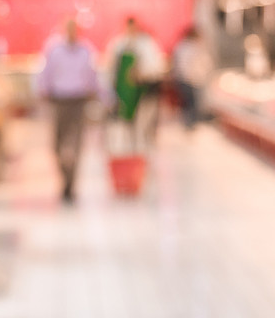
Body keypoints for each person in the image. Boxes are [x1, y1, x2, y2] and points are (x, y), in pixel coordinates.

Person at [35, 19, 100, 203]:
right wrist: (43, 91)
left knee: (77, 142)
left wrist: (98, 94)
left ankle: (71, 184)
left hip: (79, 100)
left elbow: (92, 74)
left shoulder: (86, 50)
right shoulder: (54, 49)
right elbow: (45, 73)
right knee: (57, 143)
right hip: (59, 100)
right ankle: (65, 177)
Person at [105, 17, 166, 148]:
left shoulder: (146, 43)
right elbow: (110, 68)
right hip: (124, 92)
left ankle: (143, 150)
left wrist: (141, 73)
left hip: (144, 91)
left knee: (143, 124)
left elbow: (156, 67)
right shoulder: (119, 44)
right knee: (125, 125)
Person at [170, 27, 211, 129]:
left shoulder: (181, 46)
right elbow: (193, 66)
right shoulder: (191, 48)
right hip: (189, 80)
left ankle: (188, 124)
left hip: (183, 79)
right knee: (191, 104)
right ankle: (190, 126)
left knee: (188, 103)